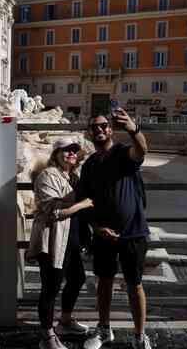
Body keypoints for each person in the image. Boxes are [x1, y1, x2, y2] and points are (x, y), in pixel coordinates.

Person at [80, 109, 152, 349]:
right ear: (89, 134)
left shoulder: (123, 152)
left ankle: (140, 336)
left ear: (110, 129)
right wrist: (96, 227)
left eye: (103, 126)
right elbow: (85, 201)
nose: (99, 130)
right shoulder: (89, 164)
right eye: (94, 127)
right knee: (104, 282)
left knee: (135, 284)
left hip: (134, 232)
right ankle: (104, 329)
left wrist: (133, 129)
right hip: (103, 234)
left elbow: (142, 150)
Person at [26, 138, 93, 349]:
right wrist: (82, 203)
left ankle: (64, 321)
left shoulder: (72, 176)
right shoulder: (47, 176)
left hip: (71, 241)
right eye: (66, 150)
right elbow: (53, 212)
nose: (71, 153)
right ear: (55, 154)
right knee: (51, 288)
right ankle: (47, 336)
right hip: (53, 240)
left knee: (77, 279)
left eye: (74, 150)